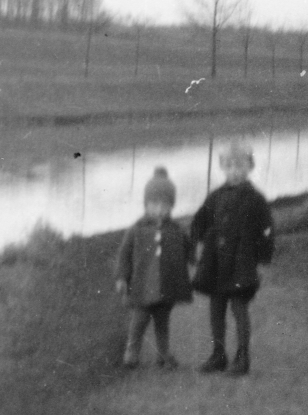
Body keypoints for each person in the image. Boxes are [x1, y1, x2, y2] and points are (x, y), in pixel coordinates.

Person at [190, 143, 274, 376]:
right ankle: (218, 355)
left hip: (242, 266)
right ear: (222, 168)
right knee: (216, 309)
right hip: (216, 264)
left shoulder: (256, 199)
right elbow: (199, 222)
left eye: (239, 166)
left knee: (239, 309)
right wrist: (197, 244)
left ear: (249, 168)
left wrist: (263, 261)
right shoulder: (215, 196)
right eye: (229, 166)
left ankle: (242, 357)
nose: (234, 171)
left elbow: (267, 231)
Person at [115, 166, 193, 369]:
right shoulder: (136, 229)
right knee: (139, 321)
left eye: (165, 206)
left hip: (165, 288)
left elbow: (187, 247)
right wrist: (122, 278)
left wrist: (194, 258)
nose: (159, 210)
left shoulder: (175, 229)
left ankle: (163, 355)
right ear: (146, 204)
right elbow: (124, 254)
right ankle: (131, 354)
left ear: (171, 207)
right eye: (154, 204)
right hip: (141, 287)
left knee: (162, 323)